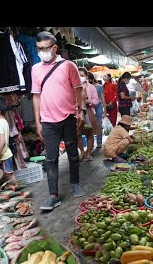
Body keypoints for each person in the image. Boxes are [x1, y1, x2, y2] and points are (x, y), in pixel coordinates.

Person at [31, 31, 85, 211]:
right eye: (38, 49)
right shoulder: (35, 69)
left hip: (69, 117)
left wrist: (81, 112)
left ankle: (75, 182)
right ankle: (53, 195)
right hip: (47, 121)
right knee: (51, 159)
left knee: (72, 153)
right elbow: (36, 96)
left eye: (45, 48)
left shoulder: (68, 66)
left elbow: (78, 91)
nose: (41, 52)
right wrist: (38, 121)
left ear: (54, 48)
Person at [77, 68, 95, 161]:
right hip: (77, 112)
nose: (81, 77)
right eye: (79, 75)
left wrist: (89, 102)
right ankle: (82, 152)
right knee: (78, 134)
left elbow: (96, 100)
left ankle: (88, 152)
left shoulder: (91, 87)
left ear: (86, 76)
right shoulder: (74, 87)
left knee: (89, 134)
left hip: (88, 112)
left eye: (82, 75)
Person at [89, 72, 104, 148]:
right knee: (90, 125)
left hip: (98, 107)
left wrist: (105, 110)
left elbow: (102, 98)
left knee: (98, 124)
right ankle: (91, 143)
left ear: (91, 79)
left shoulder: (99, 86)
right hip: (90, 107)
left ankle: (99, 142)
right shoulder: (87, 87)